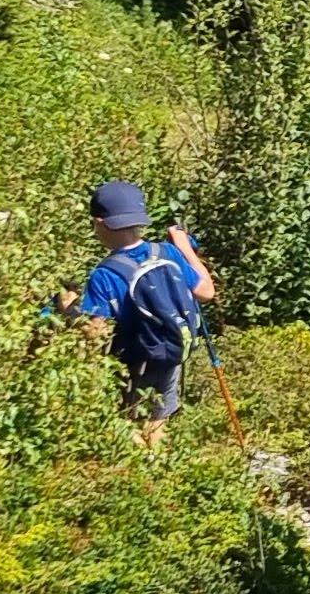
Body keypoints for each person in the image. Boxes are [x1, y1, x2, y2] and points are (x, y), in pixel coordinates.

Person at [75, 180, 214, 450]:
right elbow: (206, 291)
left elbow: (94, 334)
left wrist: (70, 313)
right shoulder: (167, 252)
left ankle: (142, 469)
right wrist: (184, 247)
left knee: (128, 424)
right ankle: (162, 465)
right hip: (172, 351)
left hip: (134, 362)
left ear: (99, 223)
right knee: (157, 422)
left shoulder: (105, 274)